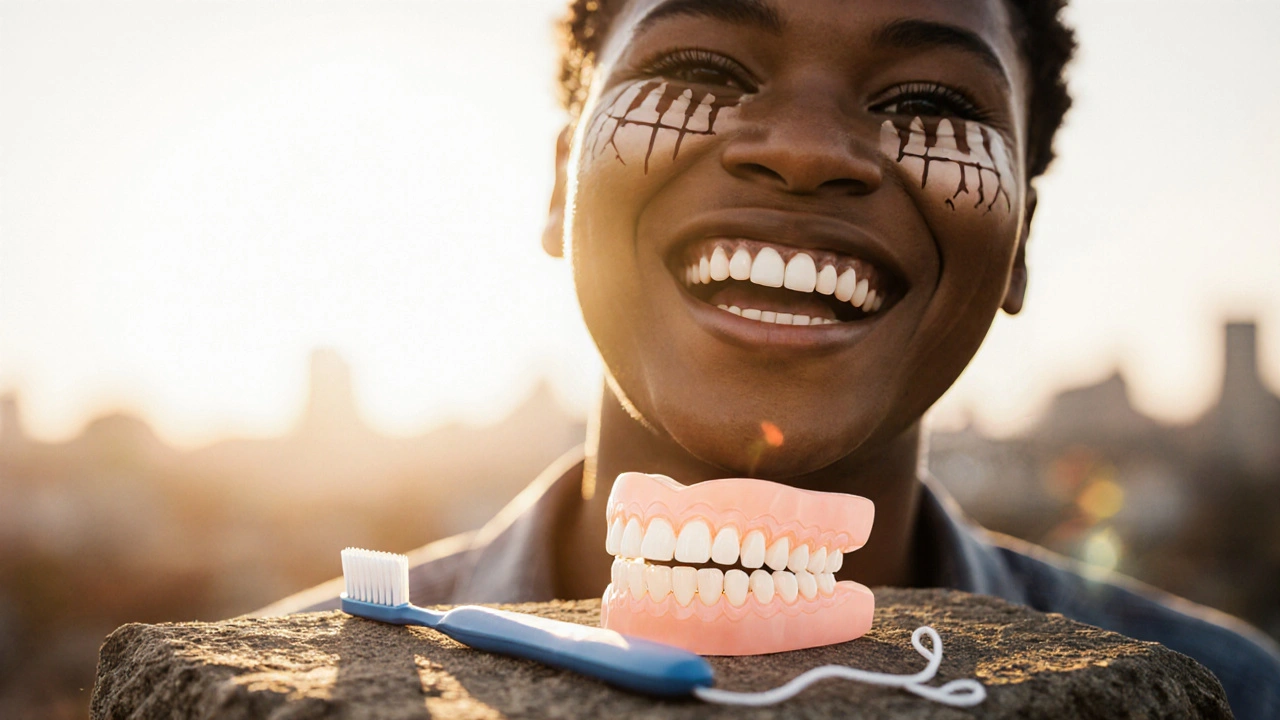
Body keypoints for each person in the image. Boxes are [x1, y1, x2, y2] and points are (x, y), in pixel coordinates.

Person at [258, 0, 1280, 714]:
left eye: (930, 99)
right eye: (701, 68)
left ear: (1017, 243)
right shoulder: (271, 694)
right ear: (559, 178)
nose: (804, 147)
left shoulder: (1229, 693)